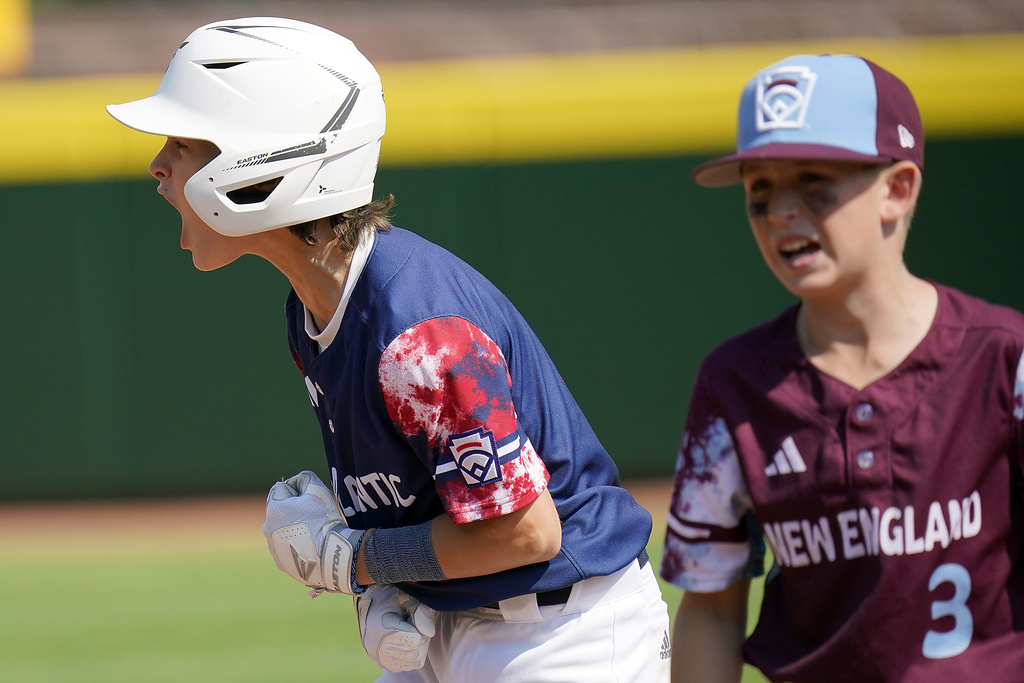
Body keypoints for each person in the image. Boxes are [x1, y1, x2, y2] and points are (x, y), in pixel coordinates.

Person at [107, 17, 670, 682]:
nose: (158, 164)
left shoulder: (419, 335)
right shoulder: (313, 305)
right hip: (474, 621)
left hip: (563, 631)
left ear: (262, 156)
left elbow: (525, 533)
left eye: (183, 141)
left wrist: (355, 559)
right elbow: (437, 503)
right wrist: (387, 581)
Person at [660, 53, 1024, 682]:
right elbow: (712, 607)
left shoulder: (1005, 356)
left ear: (898, 188)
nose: (780, 212)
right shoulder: (734, 385)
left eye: (813, 180)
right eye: (759, 190)